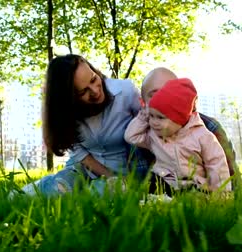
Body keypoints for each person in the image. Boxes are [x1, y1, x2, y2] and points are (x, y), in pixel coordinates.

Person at [16, 54, 149, 197]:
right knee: (59, 190)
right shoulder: (68, 112)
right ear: (69, 98)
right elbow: (79, 153)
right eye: (83, 91)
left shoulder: (125, 91)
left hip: (124, 170)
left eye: (93, 79)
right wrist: (109, 176)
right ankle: (29, 192)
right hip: (83, 168)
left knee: (97, 195)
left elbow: (147, 130)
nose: (95, 91)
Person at [124, 78, 232, 195]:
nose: (154, 122)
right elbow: (131, 137)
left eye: (160, 117)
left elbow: (216, 165)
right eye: (151, 116)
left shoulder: (202, 136)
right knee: (151, 183)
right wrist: (143, 116)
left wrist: (220, 193)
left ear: (179, 119)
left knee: (197, 194)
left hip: (193, 183)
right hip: (163, 181)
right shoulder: (154, 135)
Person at [140, 67, 238, 178]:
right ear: (143, 103)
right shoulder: (141, 133)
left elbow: (232, 179)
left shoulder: (210, 127)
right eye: (155, 95)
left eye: (170, 93)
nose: (163, 100)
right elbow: (138, 180)